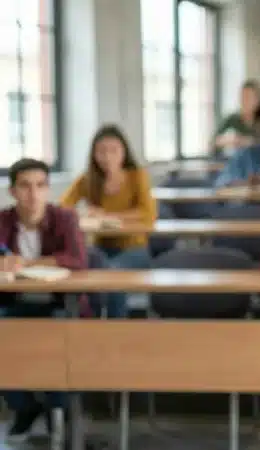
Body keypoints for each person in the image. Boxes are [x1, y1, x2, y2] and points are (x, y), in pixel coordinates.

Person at [0, 158, 87, 445]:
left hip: (60, 303)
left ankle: (57, 410)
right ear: (12, 192)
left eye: (40, 186)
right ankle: (24, 406)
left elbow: (76, 259)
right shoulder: (2, 221)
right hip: (14, 303)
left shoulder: (65, 218)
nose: (33, 194)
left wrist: (27, 262)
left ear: (48, 190)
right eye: (24, 186)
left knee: (63, 336)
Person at [60, 125, 156, 318]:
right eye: (101, 151)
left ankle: (116, 329)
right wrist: (83, 213)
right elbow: (62, 208)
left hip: (134, 249)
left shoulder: (137, 176)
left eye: (114, 150)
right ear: (94, 154)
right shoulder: (88, 179)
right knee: (85, 274)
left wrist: (106, 215)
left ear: (124, 152)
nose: (107, 157)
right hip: (100, 248)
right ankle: (91, 325)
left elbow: (148, 213)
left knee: (112, 276)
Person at [211, 79, 260, 157]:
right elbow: (214, 141)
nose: (244, 101)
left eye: (248, 97)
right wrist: (227, 141)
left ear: (258, 100)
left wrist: (246, 141)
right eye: (242, 97)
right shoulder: (232, 119)